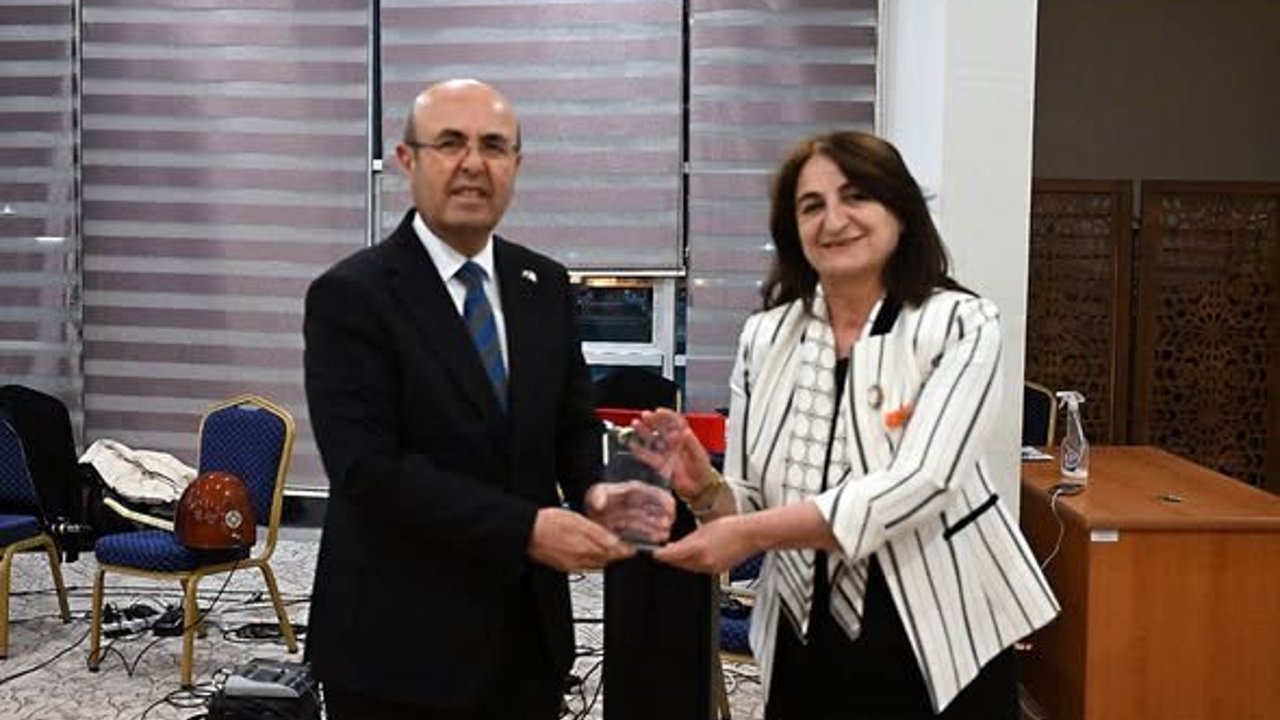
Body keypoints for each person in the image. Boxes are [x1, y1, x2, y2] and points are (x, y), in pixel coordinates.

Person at [638, 130, 1060, 719]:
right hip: (805, 638)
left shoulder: (960, 322)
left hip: (941, 632)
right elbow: (749, 502)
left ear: (900, 211)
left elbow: (923, 482)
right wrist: (705, 489)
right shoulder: (766, 337)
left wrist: (753, 533)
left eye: (856, 196)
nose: (833, 220)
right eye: (811, 205)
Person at [303, 79, 672, 720]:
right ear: (407, 159)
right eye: (450, 143)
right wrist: (526, 530)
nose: (473, 164)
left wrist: (598, 489)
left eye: (494, 146)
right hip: (398, 647)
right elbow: (368, 471)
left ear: (516, 164)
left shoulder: (543, 283)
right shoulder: (353, 295)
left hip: (526, 638)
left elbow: (571, 424)